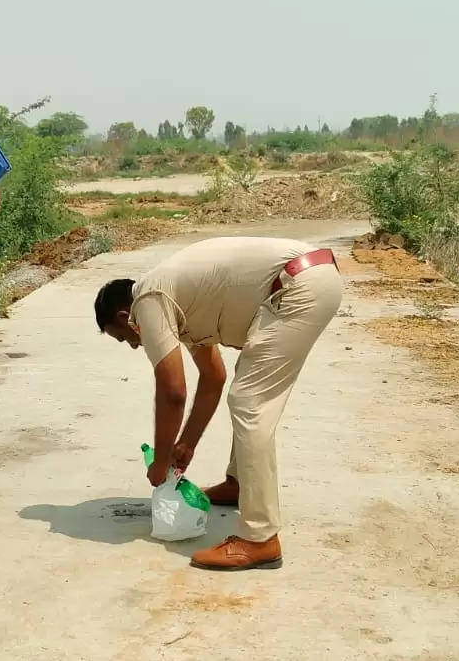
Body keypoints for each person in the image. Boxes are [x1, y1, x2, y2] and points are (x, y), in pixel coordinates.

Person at [94, 237, 344, 570]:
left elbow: (173, 392)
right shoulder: (177, 303)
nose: (133, 346)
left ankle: (259, 539)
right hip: (305, 278)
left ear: (126, 316)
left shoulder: (148, 300)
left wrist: (159, 464)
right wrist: (187, 443)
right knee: (246, 386)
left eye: (125, 337)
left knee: (250, 403)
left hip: (298, 284)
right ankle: (238, 484)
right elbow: (212, 378)